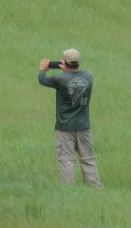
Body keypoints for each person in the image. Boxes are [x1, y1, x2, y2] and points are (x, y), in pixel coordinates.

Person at [38, 50, 102, 187]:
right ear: (78, 63)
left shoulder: (60, 79)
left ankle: (69, 189)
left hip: (65, 127)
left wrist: (42, 69)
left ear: (65, 63)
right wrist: (68, 71)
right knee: (88, 158)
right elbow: (77, 75)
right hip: (84, 126)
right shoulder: (89, 77)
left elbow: (42, 80)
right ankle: (95, 186)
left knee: (66, 160)